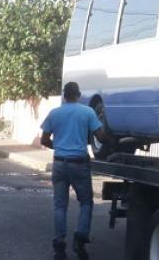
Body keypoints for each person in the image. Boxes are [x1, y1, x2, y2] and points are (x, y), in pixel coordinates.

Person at [41, 82, 109, 260]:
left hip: (59, 164)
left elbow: (44, 139)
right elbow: (100, 136)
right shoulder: (87, 112)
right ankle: (80, 239)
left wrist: (60, 146)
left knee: (60, 206)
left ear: (64, 95)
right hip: (79, 164)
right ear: (78, 94)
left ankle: (59, 247)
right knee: (86, 202)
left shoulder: (55, 113)